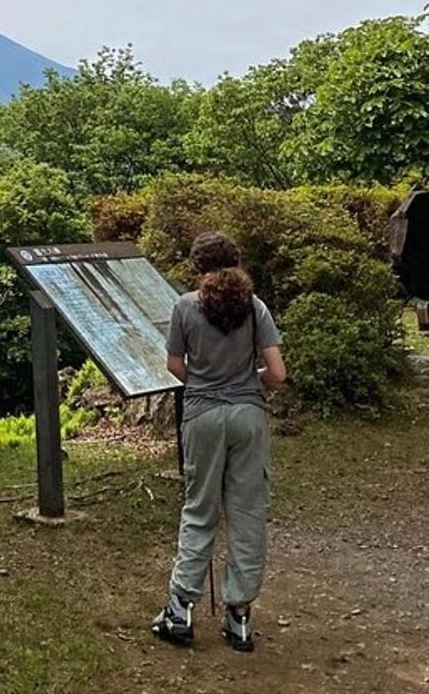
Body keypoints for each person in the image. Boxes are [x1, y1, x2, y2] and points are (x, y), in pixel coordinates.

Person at [152, 231, 287, 653]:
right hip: (249, 415)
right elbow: (278, 374)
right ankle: (240, 615)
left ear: (198, 267)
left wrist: (204, 386)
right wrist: (248, 381)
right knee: (247, 511)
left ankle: (180, 608)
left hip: (202, 416)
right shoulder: (255, 306)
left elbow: (175, 364)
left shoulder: (184, 307)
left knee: (199, 509)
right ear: (237, 262)